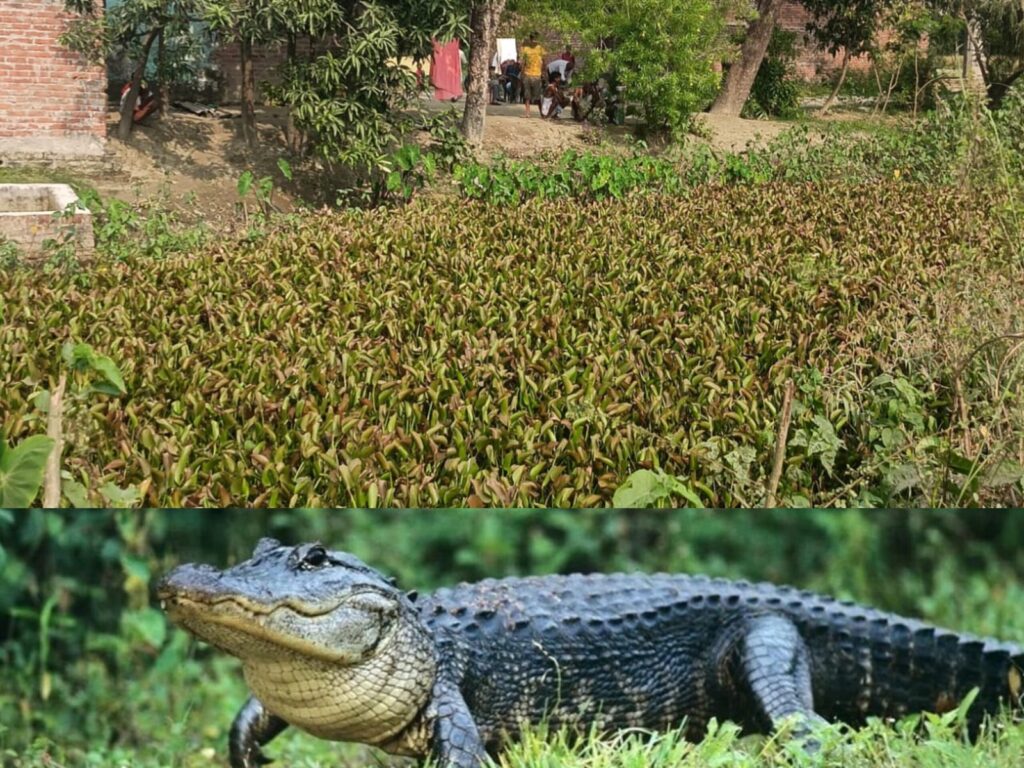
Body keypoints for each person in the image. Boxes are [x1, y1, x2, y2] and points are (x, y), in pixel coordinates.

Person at [519, 33, 545, 117]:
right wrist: (522, 73)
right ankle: (528, 113)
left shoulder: (540, 48)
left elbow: (544, 61)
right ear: (530, 39)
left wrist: (543, 72)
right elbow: (522, 62)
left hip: (536, 74)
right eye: (533, 39)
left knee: (536, 96)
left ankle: (541, 113)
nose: (534, 40)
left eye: (535, 39)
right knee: (527, 95)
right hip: (528, 74)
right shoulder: (525, 49)